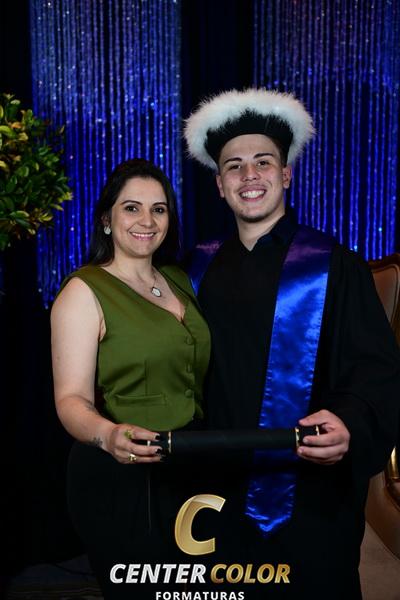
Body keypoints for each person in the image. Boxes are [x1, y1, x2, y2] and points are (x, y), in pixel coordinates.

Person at [183, 88, 400, 598]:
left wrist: (349, 423)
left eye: (263, 162)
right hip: (214, 486)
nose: (249, 175)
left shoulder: (335, 265)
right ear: (219, 184)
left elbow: (375, 368)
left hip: (311, 494)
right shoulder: (193, 269)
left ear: (285, 174)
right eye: (234, 166)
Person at [51, 158, 211, 599]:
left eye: (159, 209)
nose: (147, 221)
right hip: (121, 477)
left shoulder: (179, 279)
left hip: (190, 468)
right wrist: (109, 435)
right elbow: (70, 399)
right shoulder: (83, 291)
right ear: (107, 218)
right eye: (132, 208)